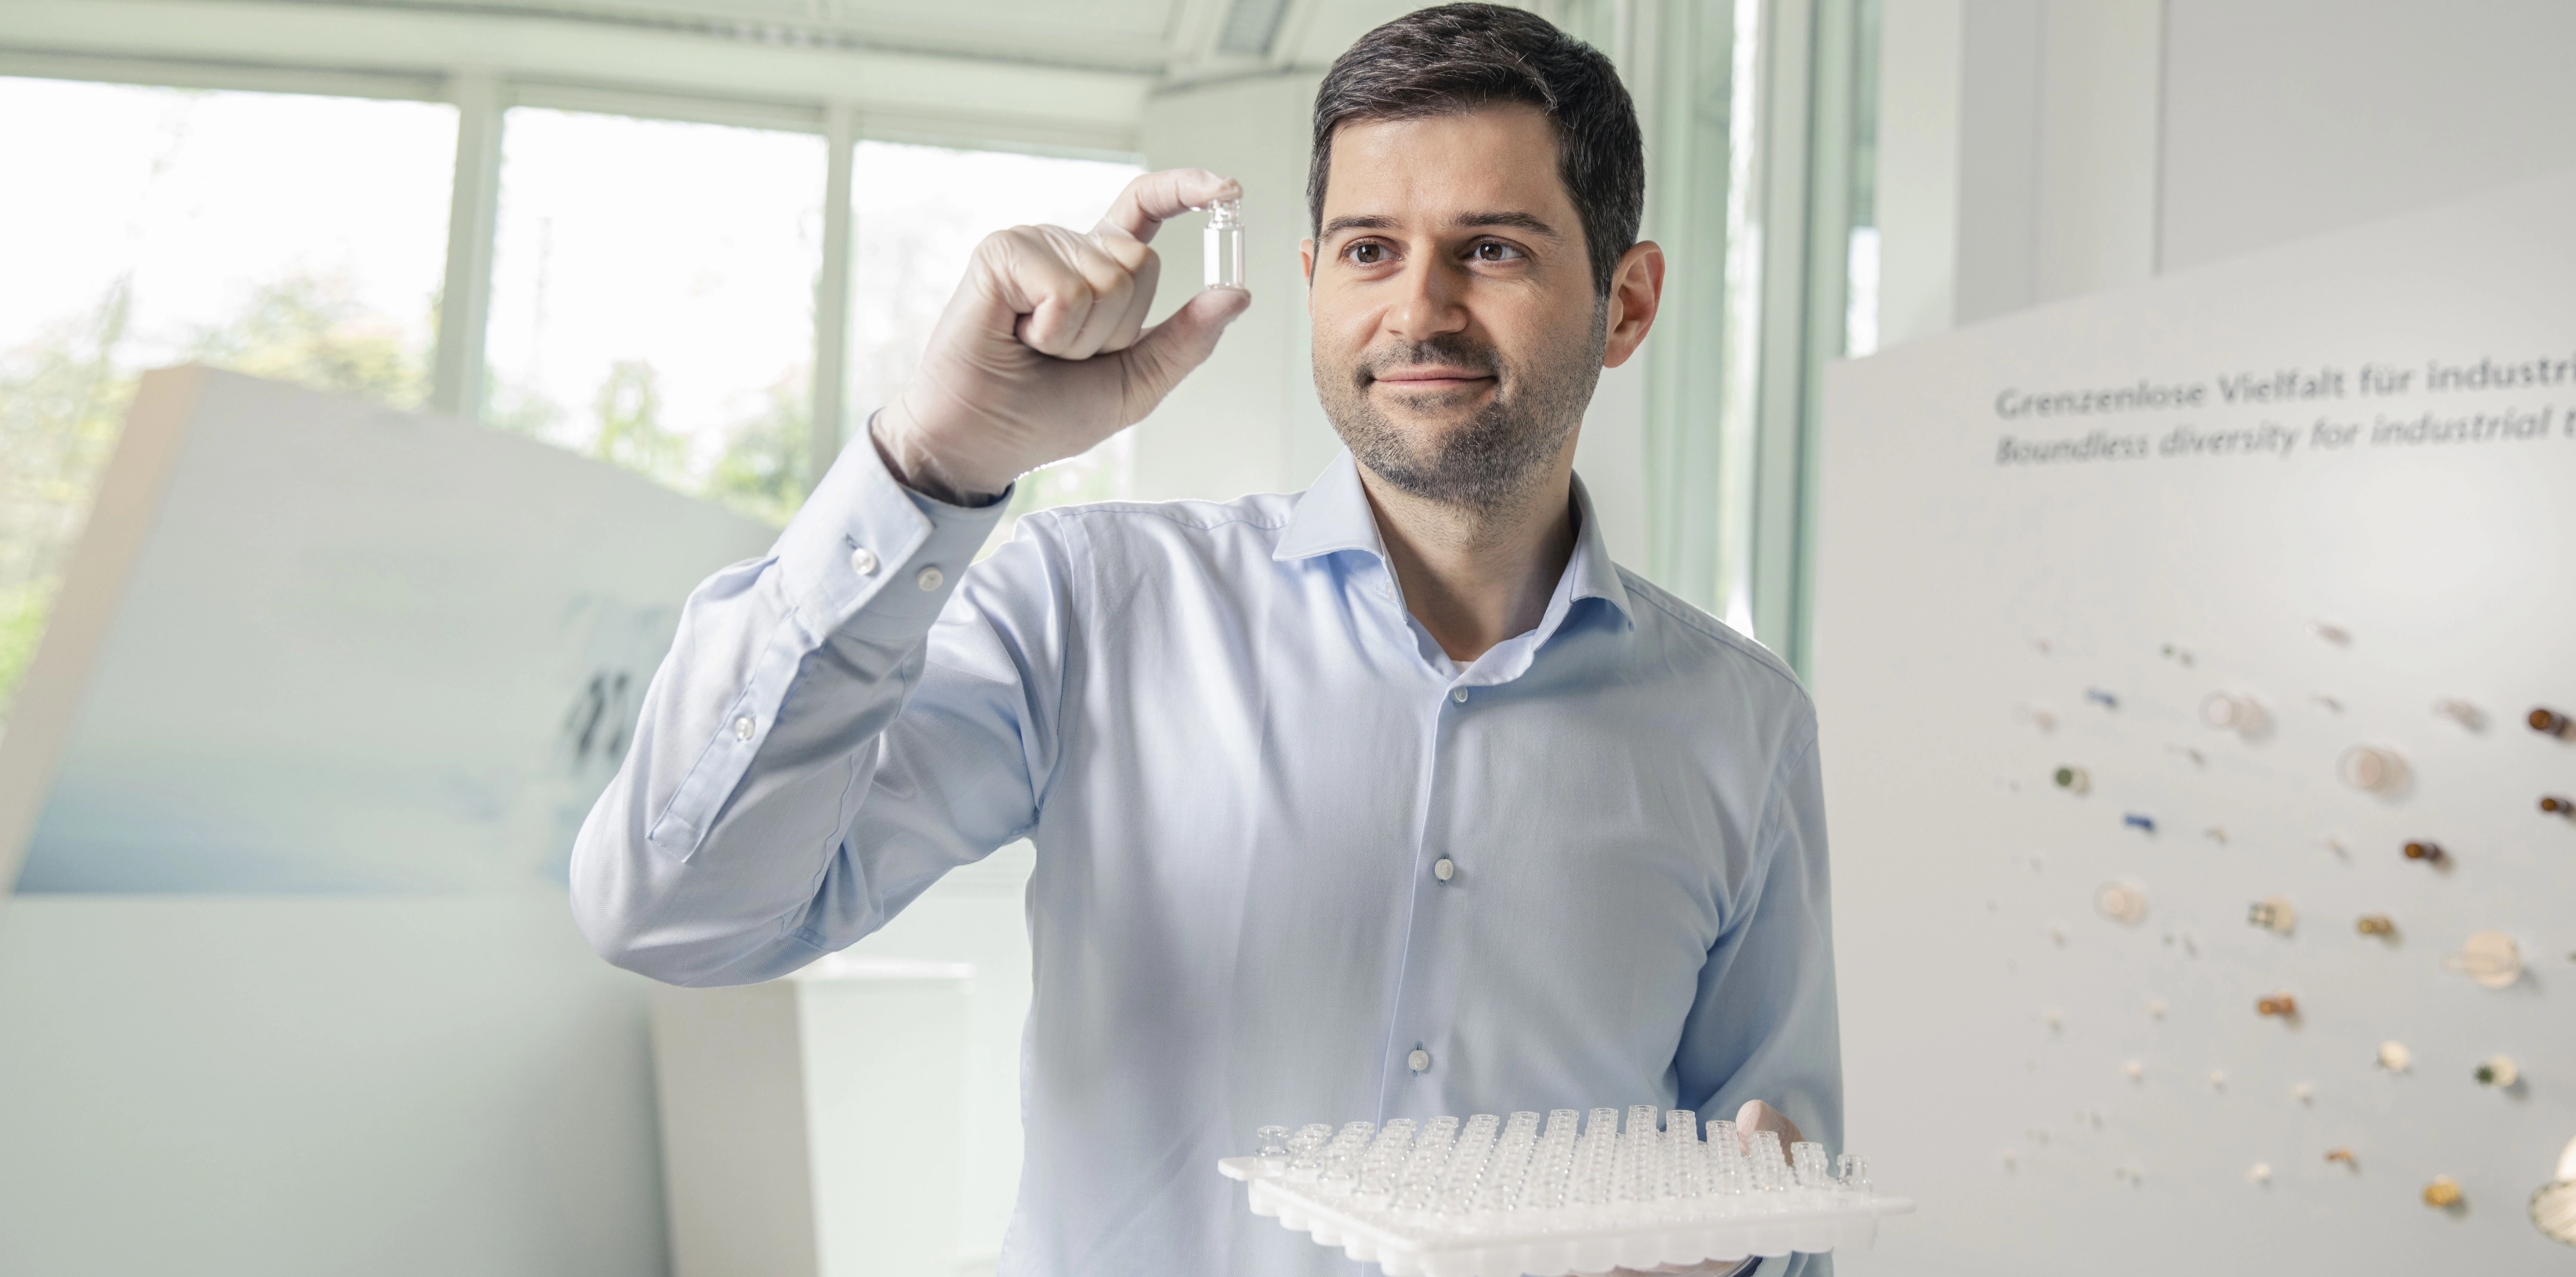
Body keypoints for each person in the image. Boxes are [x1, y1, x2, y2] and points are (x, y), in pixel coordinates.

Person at [572, 5, 1839, 1273]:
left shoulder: (1745, 727)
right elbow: (678, 913)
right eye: (1367, 248)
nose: (1419, 308)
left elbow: (1781, 1192)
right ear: (1310, 281)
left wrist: (1744, 1254)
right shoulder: (1091, 607)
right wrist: (931, 461)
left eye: (1492, 249)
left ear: (1626, 303)